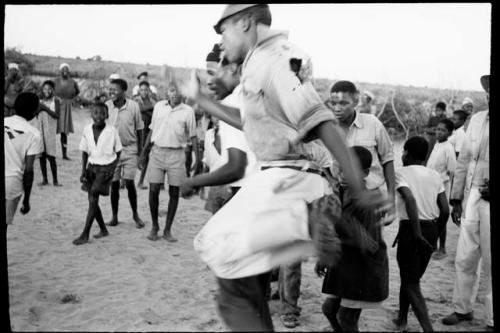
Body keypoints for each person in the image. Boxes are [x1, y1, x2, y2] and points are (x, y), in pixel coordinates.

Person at [184, 5, 392, 331]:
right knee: (244, 279)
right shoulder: (258, 65)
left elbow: (319, 119)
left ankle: (312, 217)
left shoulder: (274, 60)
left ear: (245, 22)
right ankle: (320, 220)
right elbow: (252, 124)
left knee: (218, 252)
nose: (222, 44)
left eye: (223, 32)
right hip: (282, 176)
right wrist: (206, 102)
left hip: (291, 177)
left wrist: (355, 184)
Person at [316, 146, 389, 332]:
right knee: (329, 309)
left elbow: (371, 245)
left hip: (362, 268)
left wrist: (346, 228)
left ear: (364, 173)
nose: (342, 173)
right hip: (345, 264)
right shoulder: (339, 191)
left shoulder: (369, 200)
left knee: (346, 318)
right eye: (340, 167)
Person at [442, 75, 492, 331]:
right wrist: (457, 198)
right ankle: (463, 309)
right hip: (473, 192)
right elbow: (464, 161)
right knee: (466, 255)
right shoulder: (478, 119)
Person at [392, 136, 449, 332]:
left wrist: (416, 233)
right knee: (411, 278)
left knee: (410, 282)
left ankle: (427, 329)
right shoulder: (434, 175)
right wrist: (434, 234)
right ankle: (401, 318)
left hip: (411, 229)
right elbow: (445, 210)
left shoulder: (399, 173)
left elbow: (409, 199)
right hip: (431, 229)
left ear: (406, 153)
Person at [138, 82, 199, 242]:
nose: (175, 93)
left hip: (177, 155)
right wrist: (144, 153)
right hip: (157, 152)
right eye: (172, 90)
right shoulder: (159, 106)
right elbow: (152, 130)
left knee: (174, 193)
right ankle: (155, 226)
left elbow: (193, 136)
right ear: (167, 92)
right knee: (153, 190)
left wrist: (198, 160)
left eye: (178, 90)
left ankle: (167, 229)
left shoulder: (188, 112)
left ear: (183, 94)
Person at [329, 81, 396, 218]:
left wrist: (391, 200)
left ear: (355, 101)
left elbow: (387, 160)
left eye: (343, 103)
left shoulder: (372, 124)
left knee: (369, 238)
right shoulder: (326, 129)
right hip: (336, 198)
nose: (337, 108)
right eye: (333, 103)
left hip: (369, 198)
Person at [73, 103, 122, 245]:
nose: (99, 116)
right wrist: (83, 170)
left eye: (102, 113)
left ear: (107, 115)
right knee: (92, 200)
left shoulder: (112, 131)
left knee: (93, 195)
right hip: (91, 167)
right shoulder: (87, 129)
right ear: (91, 115)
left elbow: (118, 151)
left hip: (105, 169)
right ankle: (103, 229)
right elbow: (84, 150)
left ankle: (85, 233)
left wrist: (112, 169)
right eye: (96, 113)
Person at [105, 78, 146, 229]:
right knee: (114, 185)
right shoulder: (107, 106)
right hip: (112, 151)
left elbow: (140, 128)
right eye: (110, 89)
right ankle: (114, 216)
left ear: (123, 91)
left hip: (130, 149)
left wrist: (140, 150)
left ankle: (135, 214)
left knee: (129, 183)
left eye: (115, 90)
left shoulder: (133, 106)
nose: (111, 92)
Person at [4, 92, 43, 225]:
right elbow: (29, 171)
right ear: (33, 113)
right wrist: (26, 199)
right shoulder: (34, 134)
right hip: (11, 184)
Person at [426, 118, 456, 259]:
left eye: (443, 130)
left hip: (442, 187)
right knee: (433, 216)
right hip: (431, 186)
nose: (439, 132)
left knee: (442, 216)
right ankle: (433, 246)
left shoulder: (449, 148)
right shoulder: (437, 145)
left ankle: (442, 248)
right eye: (438, 129)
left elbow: (451, 171)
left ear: (449, 133)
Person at [33, 80, 62, 187]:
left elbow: (57, 115)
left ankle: (55, 180)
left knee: (51, 156)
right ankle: (45, 179)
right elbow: (34, 114)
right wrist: (38, 109)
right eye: (45, 89)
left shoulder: (56, 100)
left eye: (49, 89)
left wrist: (44, 108)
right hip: (40, 130)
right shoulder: (39, 100)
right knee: (42, 155)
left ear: (53, 90)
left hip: (50, 131)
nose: (47, 91)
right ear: (42, 89)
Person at [134, 80, 157, 190]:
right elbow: (139, 109)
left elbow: (155, 115)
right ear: (139, 90)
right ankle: (124, 180)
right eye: (141, 90)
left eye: (146, 90)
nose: (143, 92)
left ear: (149, 91)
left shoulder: (152, 101)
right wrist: (150, 110)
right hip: (137, 131)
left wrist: (146, 111)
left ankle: (141, 181)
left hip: (149, 131)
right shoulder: (136, 100)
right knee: (134, 154)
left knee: (146, 156)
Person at [54, 63, 80, 160]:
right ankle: (47, 152)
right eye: (63, 69)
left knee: (64, 132)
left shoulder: (72, 82)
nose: (65, 70)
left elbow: (77, 91)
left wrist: (71, 99)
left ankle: (64, 154)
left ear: (68, 71)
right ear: (60, 71)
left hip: (66, 107)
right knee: (51, 129)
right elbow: (49, 90)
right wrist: (55, 98)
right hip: (56, 105)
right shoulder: (55, 81)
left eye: (67, 69)